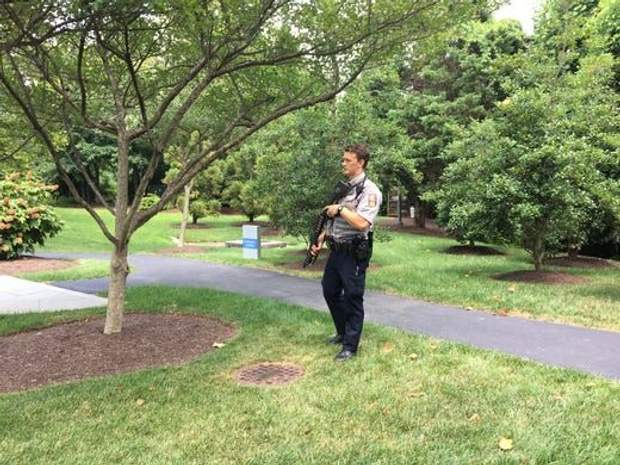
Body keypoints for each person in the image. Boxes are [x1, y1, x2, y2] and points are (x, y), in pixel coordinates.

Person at [310, 144, 383, 361]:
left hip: (354, 252)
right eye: (343, 159)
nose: (343, 163)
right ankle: (342, 332)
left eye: (347, 160)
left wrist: (341, 210)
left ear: (361, 163)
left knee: (352, 297)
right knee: (330, 290)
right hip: (336, 249)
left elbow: (362, 223)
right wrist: (321, 237)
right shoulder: (344, 188)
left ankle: (350, 346)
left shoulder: (370, 191)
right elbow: (332, 220)